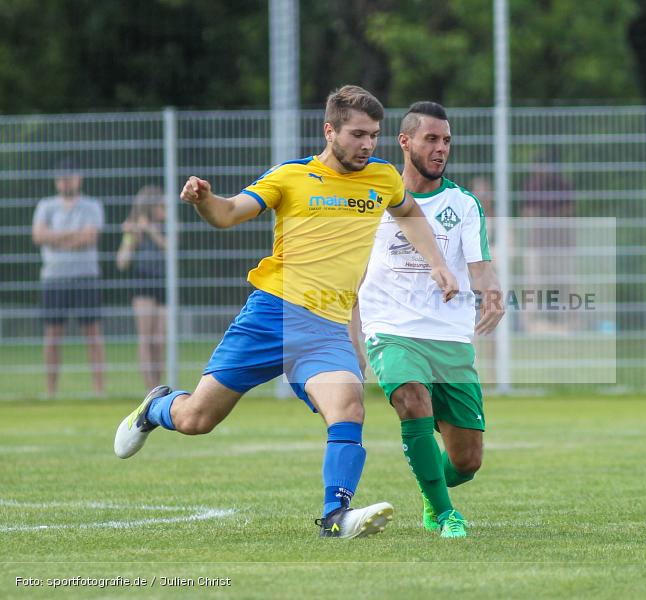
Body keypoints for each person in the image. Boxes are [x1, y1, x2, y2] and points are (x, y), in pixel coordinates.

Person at [113, 85, 459, 539]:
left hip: (327, 330)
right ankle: (155, 407)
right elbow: (231, 212)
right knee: (197, 419)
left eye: (374, 135)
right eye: (357, 134)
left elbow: (409, 214)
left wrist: (437, 264)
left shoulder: (383, 178)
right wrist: (203, 201)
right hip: (271, 316)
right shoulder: (291, 176)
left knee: (349, 408)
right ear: (329, 131)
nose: (368, 144)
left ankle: (334, 517)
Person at [353, 101, 505, 538]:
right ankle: (443, 513)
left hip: (450, 337)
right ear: (405, 142)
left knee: (467, 461)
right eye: (431, 139)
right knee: (411, 399)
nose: (441, 149)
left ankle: (430, 488)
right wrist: (349, 334)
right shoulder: (373, 199)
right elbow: (353, 269)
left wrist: (491, 290)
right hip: (391, 329)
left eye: (447, 141)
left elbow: (480, 267)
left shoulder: (463, 204)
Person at [31, 158, 106, 397]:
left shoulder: (92, 205)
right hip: (54, 278)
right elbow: (39, 235)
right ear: (57, 180)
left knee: (92, 334)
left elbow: (89, 237)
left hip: (86, 277)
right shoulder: (46, 205)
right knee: (52, 336)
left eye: (69, 176)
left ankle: (99, 391)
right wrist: (73, 237)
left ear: (78, 178)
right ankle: (50, 392)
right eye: (61, 177)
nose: (65, 181)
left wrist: (57, 238)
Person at [519, 147, 576, 333]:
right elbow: (527, 214)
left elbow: (568, 213)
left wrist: (545, 217)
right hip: (537, 245)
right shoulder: (532, 185)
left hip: (561, 245)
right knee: (533, 284)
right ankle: (528, 324)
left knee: (565, 284)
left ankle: (570, 323)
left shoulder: (562, 184)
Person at [116, 185, 167, 389]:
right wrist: (131, 239)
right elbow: (122, 262)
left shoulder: (167, 226)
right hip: (143, 284)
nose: (164, 208)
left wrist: (151, 231)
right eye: (160, 205)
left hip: (164, 284)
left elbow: (171, 248)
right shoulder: (134, 227)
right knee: (145, 339)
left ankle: (159, 386)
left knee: (159, 339)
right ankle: (149, 390)